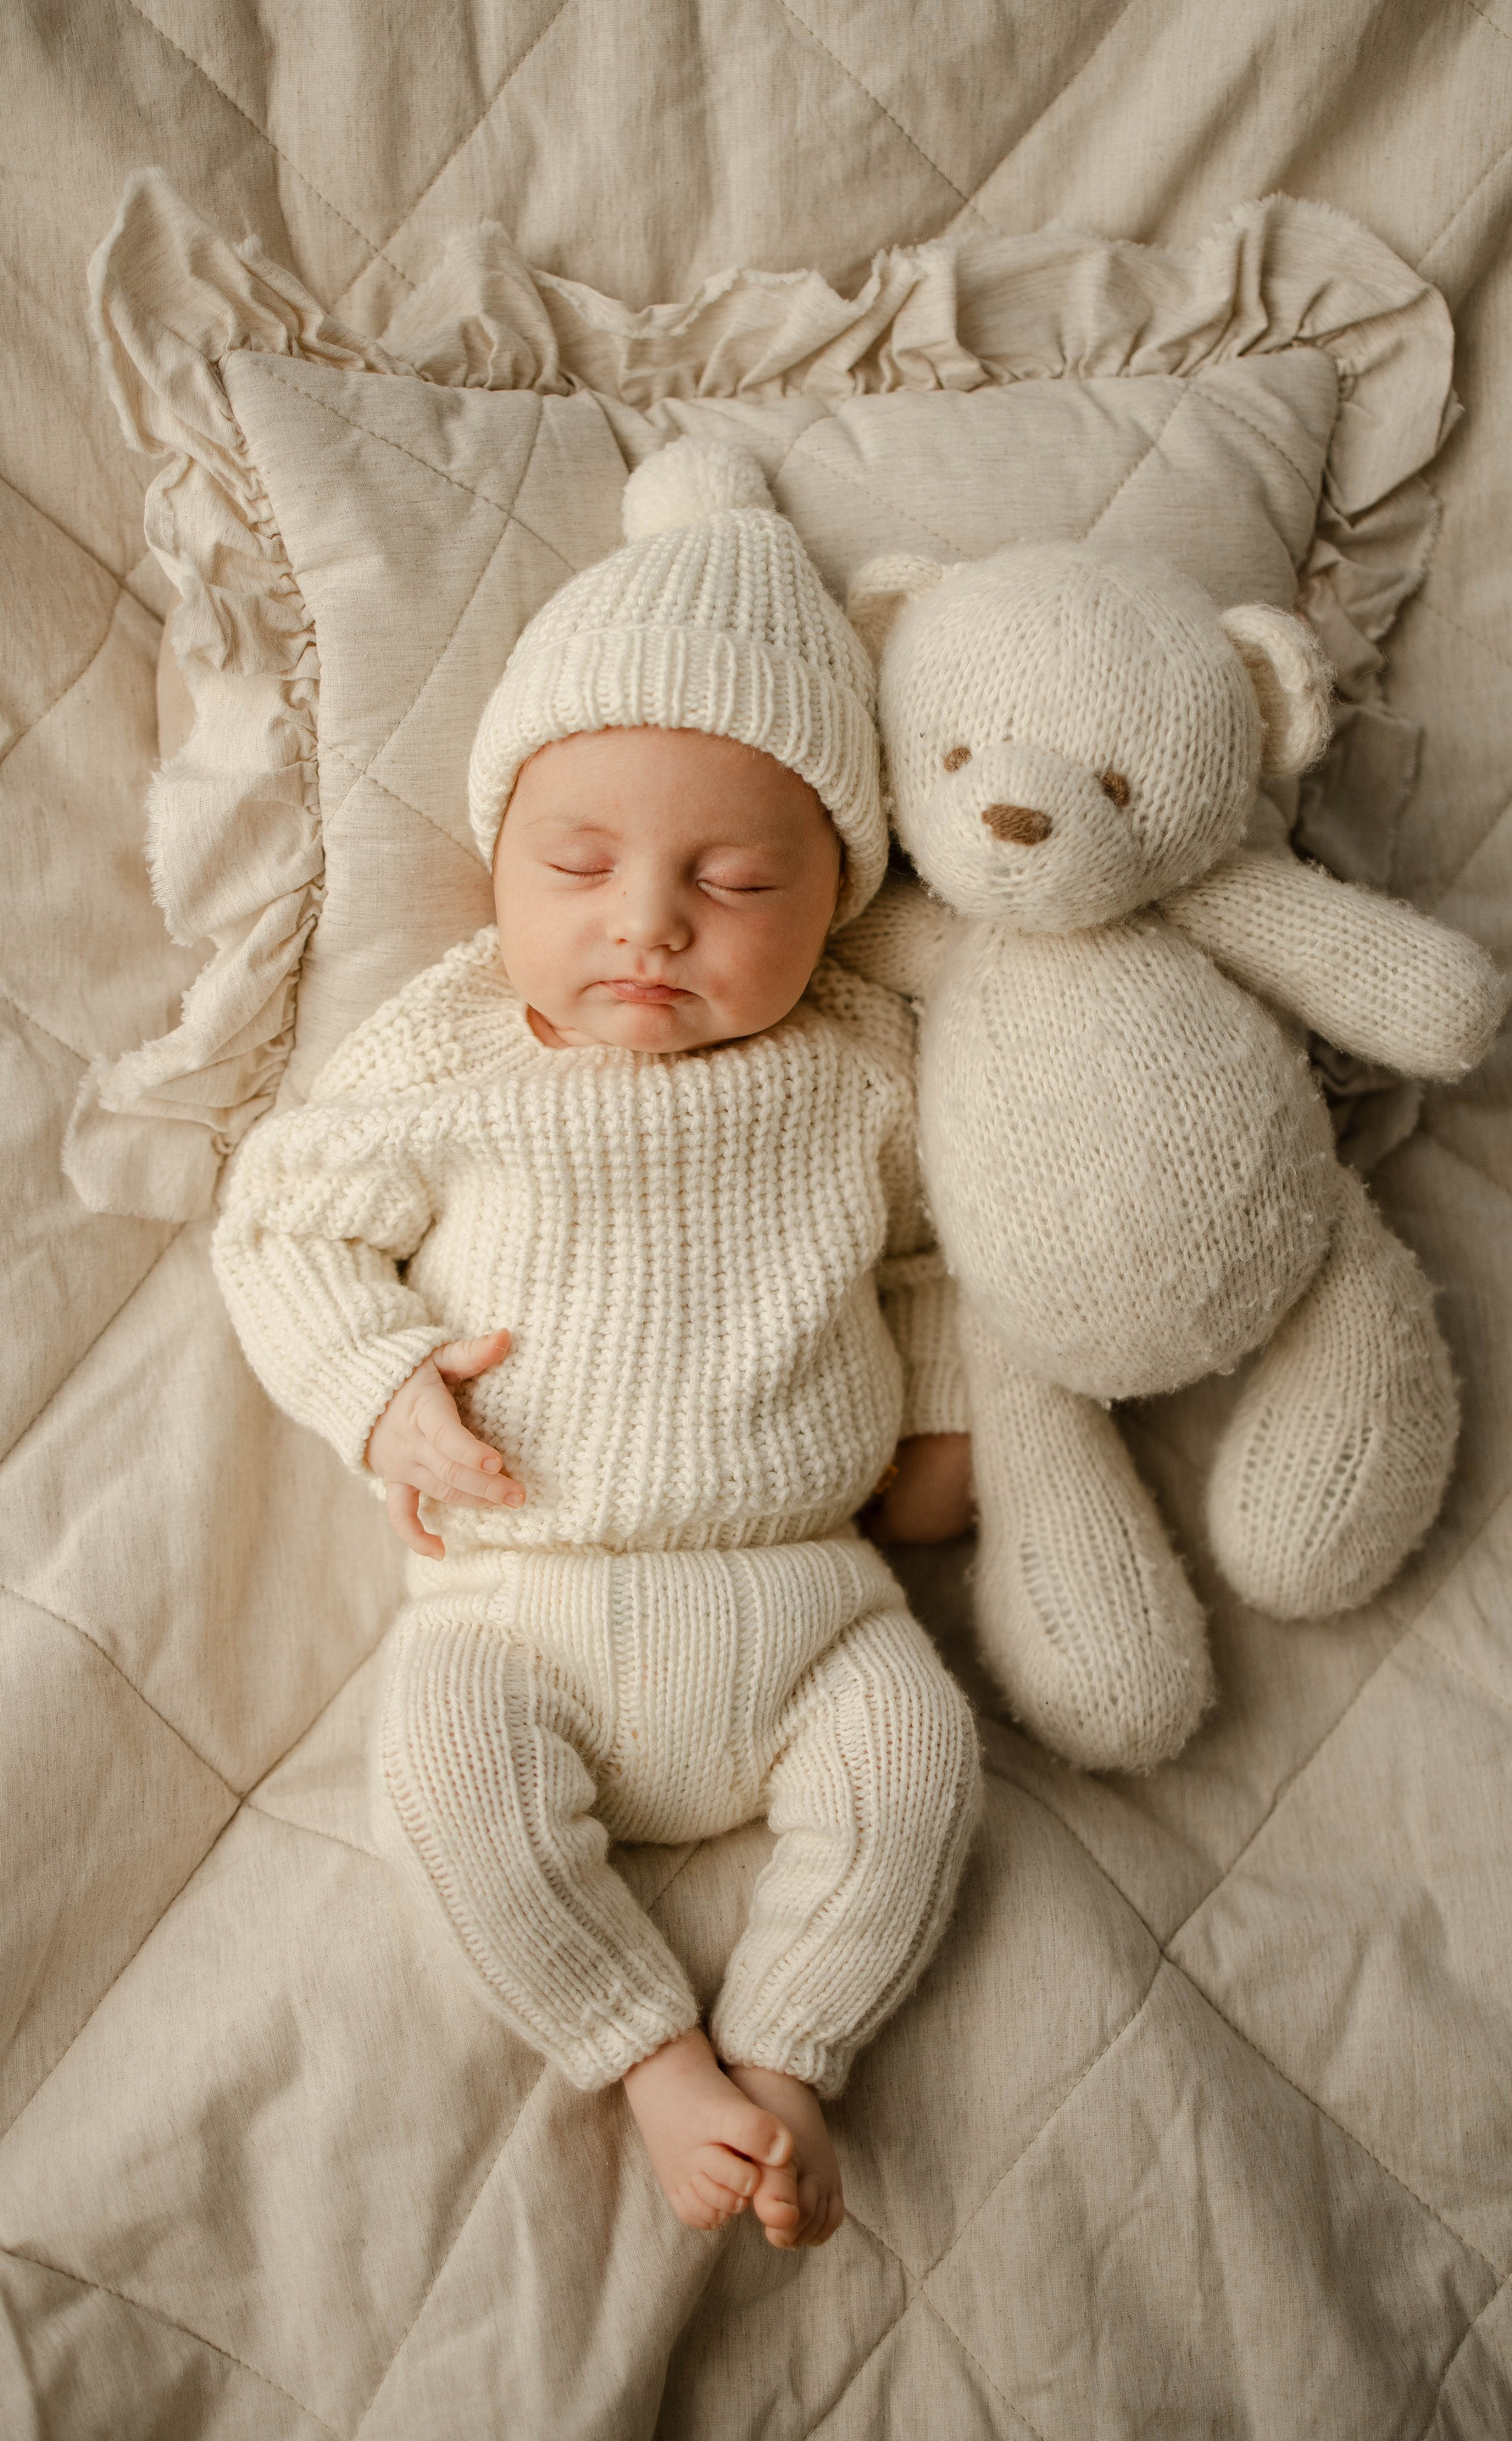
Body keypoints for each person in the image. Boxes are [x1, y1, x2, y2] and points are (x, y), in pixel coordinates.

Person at [213, 438, 981, 2253]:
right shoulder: (453, 1051)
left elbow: (944, 1261)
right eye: (578, 863)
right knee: (443, 1786)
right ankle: (648, 2056)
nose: (648, 919)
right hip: (518, 1606)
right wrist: (379, 1388)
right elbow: (284, 1222)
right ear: (500, 865)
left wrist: (947, 1423)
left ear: (840, 895)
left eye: (739, 882)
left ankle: (789, 2051)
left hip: (808, 1598)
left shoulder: (864, 1067)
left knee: (920, 1769)